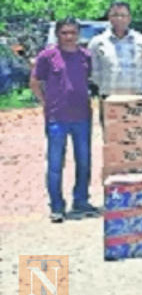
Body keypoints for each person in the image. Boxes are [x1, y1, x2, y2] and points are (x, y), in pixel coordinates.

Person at [30, 18, 99, 223]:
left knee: (84, 160)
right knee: (55, 163)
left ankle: (80, 201)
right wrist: (45, 102)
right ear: (58, 34)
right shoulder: (47, 56)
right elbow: (34, 82)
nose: (69, 37)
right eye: (64, 33)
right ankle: (57, 206)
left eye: (73, 33)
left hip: (82, 116)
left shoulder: (85, 55)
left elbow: (89, 80)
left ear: (79, 34)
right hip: (57, 117)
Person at [88, 1, 142, 126]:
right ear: (109, 17)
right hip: (109, 100)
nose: (119, 19)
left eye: (123, 15)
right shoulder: (97, 43)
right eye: (115, 15)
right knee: (112, 141)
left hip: (137, 100)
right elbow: (94, 71)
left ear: (129, 18)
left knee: (137, 140)